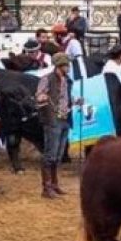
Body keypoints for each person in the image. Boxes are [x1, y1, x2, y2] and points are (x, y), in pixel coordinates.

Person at [34, 55, 72, 199]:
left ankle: (55, 185)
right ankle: (47, 187)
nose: (68, 67)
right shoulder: (47, 79)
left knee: (58, 154)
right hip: (52, 119)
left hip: (65, 118)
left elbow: (65, 98)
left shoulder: (67, 81)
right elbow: (39, 95)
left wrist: (75, 102)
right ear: (59, 66)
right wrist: (42, 97)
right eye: (65, 65)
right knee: (50, 154)